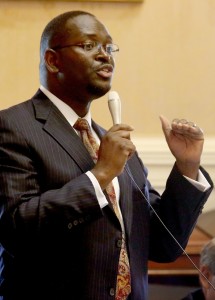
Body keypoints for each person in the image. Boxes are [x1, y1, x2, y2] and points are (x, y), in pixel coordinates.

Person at [0, 10, 213, 300]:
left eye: (109, 47)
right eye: (89, 46)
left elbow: (163, 245)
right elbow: (15, 229)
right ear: (52, 60)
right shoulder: (12, 126)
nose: (105, 56)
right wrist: (100, 176)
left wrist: (187, 167)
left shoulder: (107, 140)